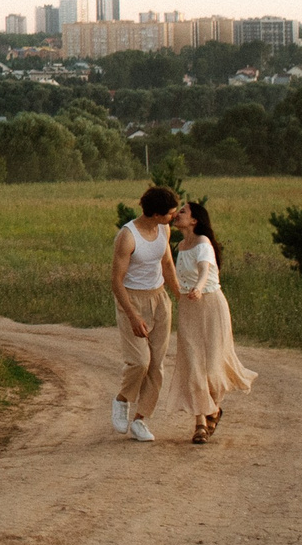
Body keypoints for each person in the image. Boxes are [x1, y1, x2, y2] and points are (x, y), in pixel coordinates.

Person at [170, 199, 257, 443]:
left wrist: (198, 288)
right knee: (193, 366)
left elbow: (205, 270)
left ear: (194, 220)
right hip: (188, 309)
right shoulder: (180, 246)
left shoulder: (203, 243)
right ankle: (200, 424)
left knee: (212, 367)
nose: (178, 214)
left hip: (210, 305)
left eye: (183, 212)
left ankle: (214, 409)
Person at [109, 184, 181, 441]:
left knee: (157, 365)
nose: (174, 216)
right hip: (132, 300)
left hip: (159, 298)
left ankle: (141, 420)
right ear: (156, 214)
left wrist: (180, 297)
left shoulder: (164, 229)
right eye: (170, 213)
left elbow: (167, 264)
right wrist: (132, 316)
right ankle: (122, 400)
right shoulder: (128, 236)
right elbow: (116, 281)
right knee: (140, 361)